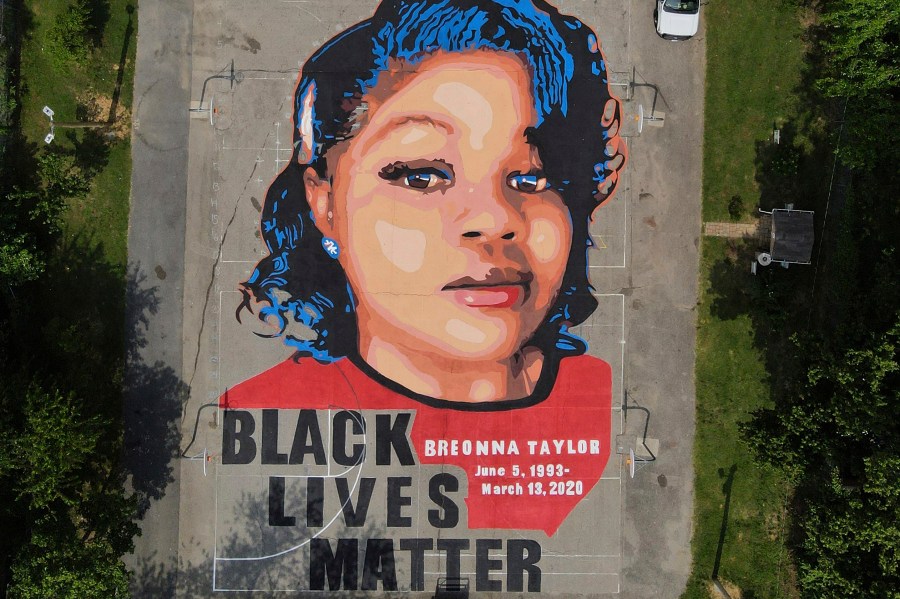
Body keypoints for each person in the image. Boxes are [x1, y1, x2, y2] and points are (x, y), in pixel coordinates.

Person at [222, 0, 625, 533]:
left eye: (532, 178)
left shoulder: (601, 409)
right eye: (422, 176)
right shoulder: (257, 415)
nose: (494, 219)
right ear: (325, 205)